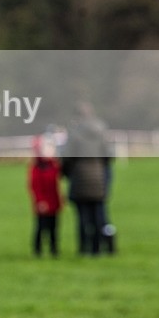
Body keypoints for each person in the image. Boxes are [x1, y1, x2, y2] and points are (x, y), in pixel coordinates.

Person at [60, 102, 111, 256]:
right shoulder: (101, 131)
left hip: (79, 178)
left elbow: (66, 158)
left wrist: (67, 173)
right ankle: (97, 247)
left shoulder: (74, 133)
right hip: (99, 177)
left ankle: (83, 248)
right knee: (98, 215)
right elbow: (108, 156)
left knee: (83, 216)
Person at [28, 134, 63, 257]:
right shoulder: (36, 167)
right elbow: (34, 186)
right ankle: (37, 250)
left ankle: (54, 250)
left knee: (54, 228)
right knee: (41, 227)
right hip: (43, 203)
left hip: (54, 201)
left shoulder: (54, 165)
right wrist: (40, 201)